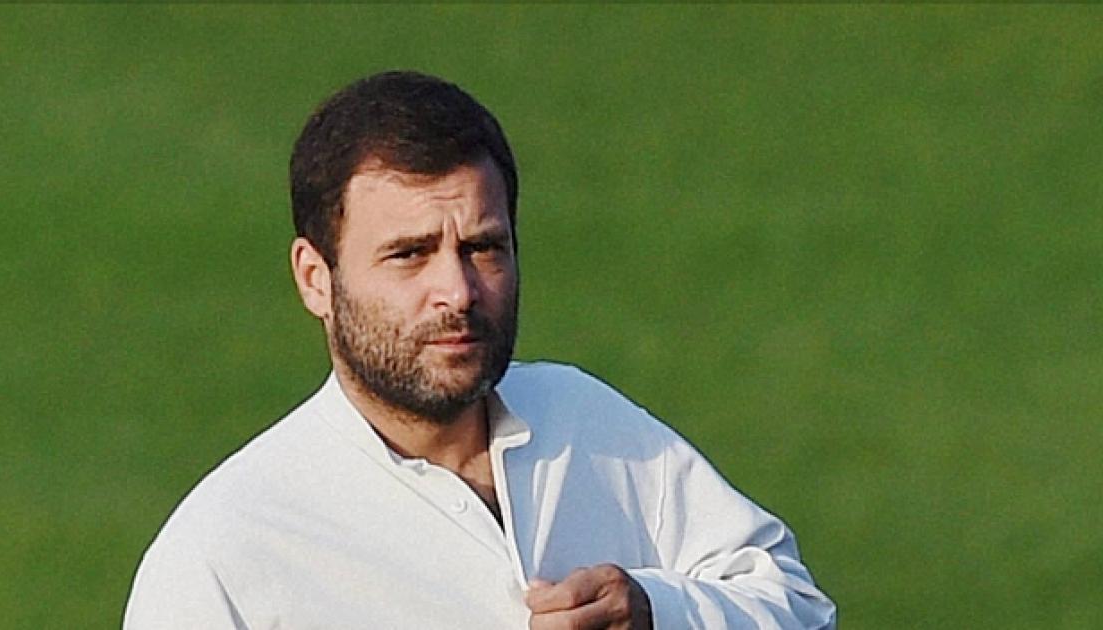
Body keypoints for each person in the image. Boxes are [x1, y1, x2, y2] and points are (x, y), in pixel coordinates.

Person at [124, 70, 836, 629]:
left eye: (483, 248)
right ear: (316, 279)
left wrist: (659, 612)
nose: (458, 291)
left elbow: (799, 607)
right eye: (409, 254)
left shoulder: (587, 422)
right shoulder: (225, 553)